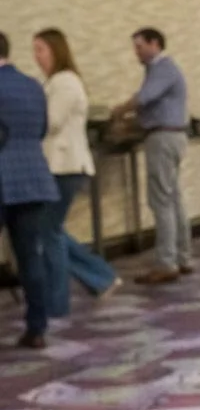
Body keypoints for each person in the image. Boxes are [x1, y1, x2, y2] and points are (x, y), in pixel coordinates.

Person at [34, 28, 121, 312]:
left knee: (48, 232)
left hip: (65, 166)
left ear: (56, 51)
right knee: (49, 230)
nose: (36, 57)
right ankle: (100, 276)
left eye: (41, 50)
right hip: (58, 166)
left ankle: (59, 302)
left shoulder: (66, 82)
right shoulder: (53, 83)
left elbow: (52, 122)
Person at [111, 28, 191, 285]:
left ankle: (167, 263)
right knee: (173, 198)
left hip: (163, 139)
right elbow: (151, 111)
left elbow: (144, 99)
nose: (136, 52)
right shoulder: (159, 71)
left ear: (155, 44)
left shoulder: (162, 68)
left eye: (139, 46)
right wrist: (131, 123)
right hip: (171, 136)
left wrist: (119, 112)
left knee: (161, 201)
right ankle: (182, 256)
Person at [0, 30, 60, 348]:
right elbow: (40, 130)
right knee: (30, 258)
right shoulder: (33, 86)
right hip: (33, 178)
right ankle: (37, 329)